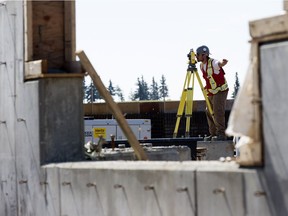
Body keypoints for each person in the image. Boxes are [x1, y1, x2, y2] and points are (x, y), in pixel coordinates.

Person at [196, 45, 229, 141]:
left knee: (217, 111)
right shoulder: (202, 65)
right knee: (209, 111)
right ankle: (213, 133)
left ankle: (221, 134)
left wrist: (222, 63)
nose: (196, 57)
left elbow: (218, 64)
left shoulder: (213, 63)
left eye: (198, 55)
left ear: (204, 55)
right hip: (211, 92)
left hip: (220, 91)